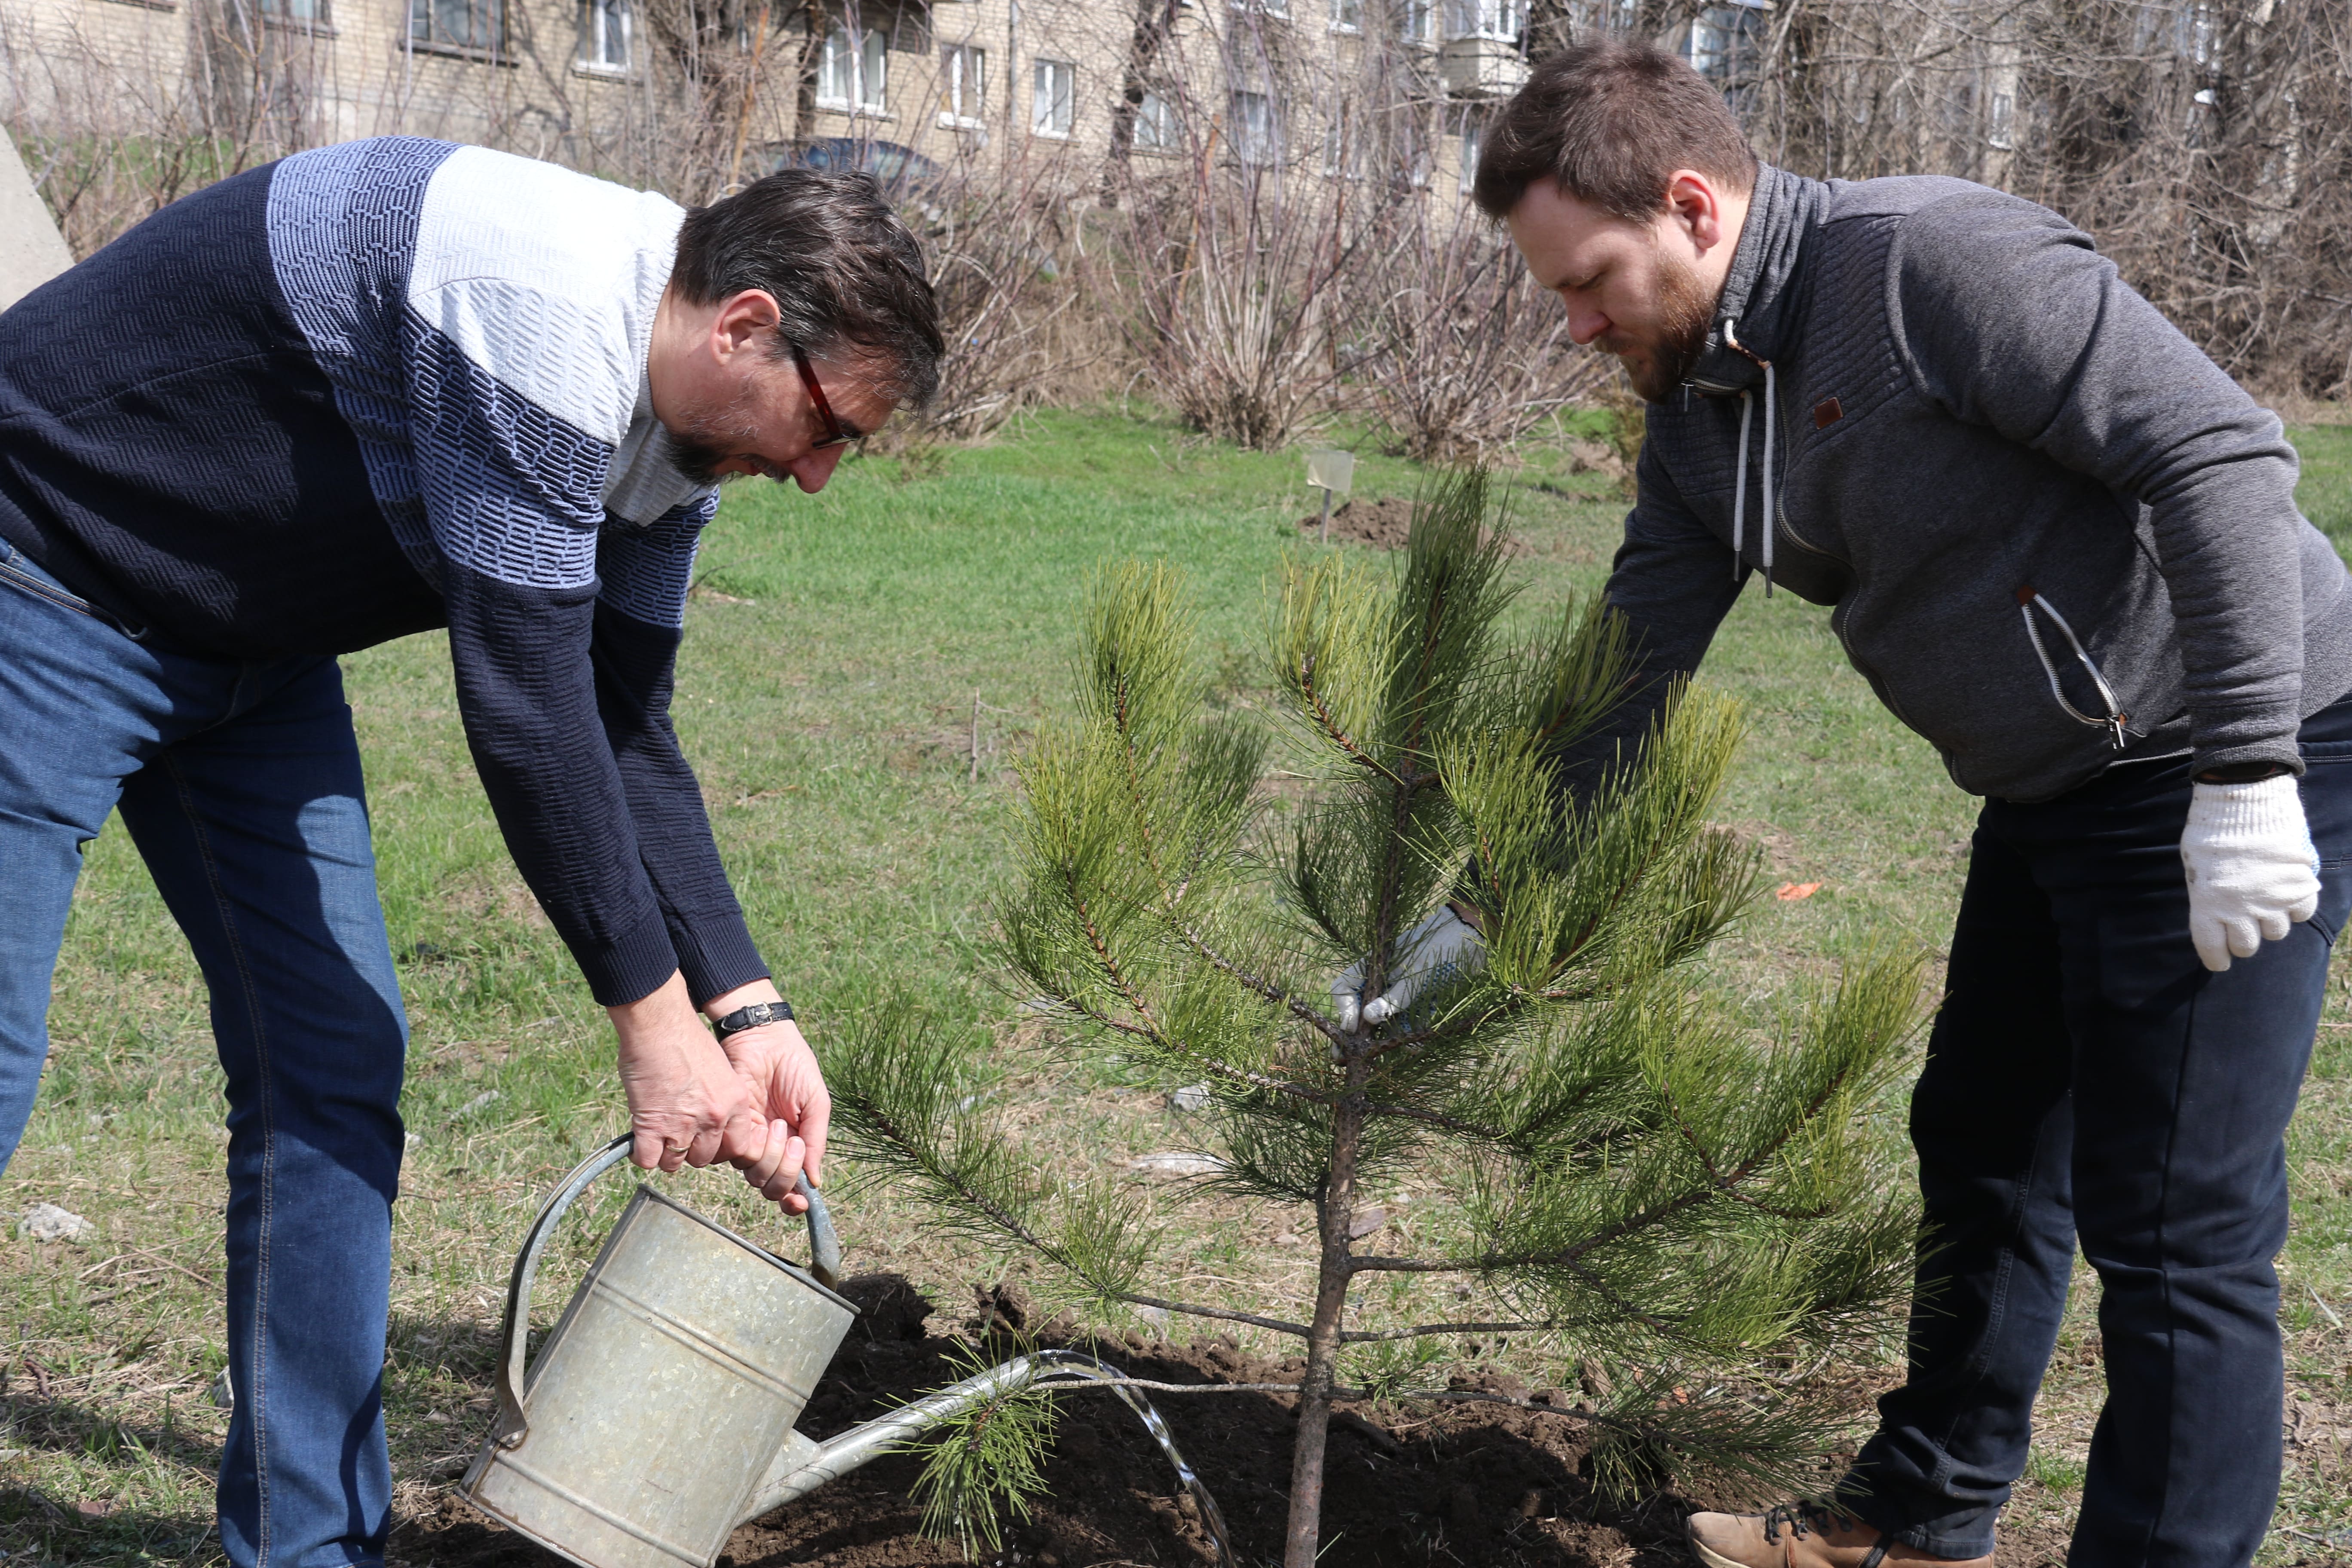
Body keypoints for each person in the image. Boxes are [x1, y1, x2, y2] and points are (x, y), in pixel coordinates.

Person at [1332, 40, 2351, 1568]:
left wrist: (2251, 772)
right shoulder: (1699, 410)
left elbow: (2220, 455)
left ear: (1692, 205)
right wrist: (1488, 904)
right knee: (1987, 1141)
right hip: (2058, 780)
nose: (1571, 321)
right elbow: (1631, 667)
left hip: (2234, 737)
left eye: (1589, 277)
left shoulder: (1930, 265)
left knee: (2178, 1224)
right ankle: (1924, 1515)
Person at [0, 140, 940, 1568]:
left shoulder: (674, 437)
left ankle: (309, 1551)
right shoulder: (543, 308)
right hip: (43, 575)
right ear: (745, 324)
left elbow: (624, 721)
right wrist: (653, 1027)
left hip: (247, 644)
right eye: (825, 429)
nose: (812, 475)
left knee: (333, 1067)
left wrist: (745, 1005)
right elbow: (524, 705)